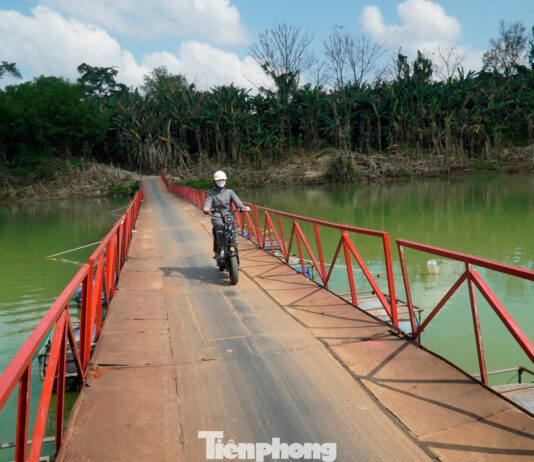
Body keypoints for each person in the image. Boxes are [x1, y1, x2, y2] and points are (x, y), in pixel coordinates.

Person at [202, 170, 249, 264]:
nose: (221, 181)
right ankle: (221, 249)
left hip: (228, 214)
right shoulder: (212, 193)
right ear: (215, 181)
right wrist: (206, 208)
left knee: (231, 228)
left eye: (223, 180)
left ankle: (232, 246)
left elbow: (238, 202)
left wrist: (243, 208)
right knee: (219, 227)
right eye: (219, 180)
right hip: (216, 215)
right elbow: (207, 203)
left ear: (226, 180)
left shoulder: (230, 192)